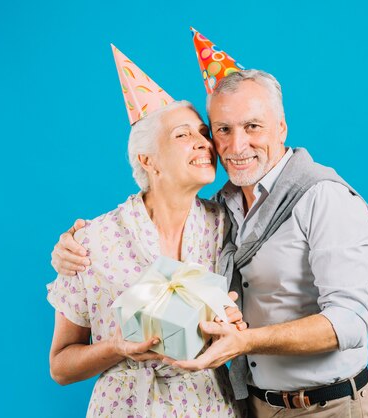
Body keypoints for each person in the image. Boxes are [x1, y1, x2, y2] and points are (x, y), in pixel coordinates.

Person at [54, 36, 368, 418]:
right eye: (220, 129)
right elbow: (61, 362)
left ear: (282, 128)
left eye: (252, 126)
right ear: (148, 159)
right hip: (238, 405)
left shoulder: (292, 205)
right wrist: (67, 249)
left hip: (308, 405)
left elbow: (350, 320)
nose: (224, 145)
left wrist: (242, 339)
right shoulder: (222, 211)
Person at [46, 46, 244, 417]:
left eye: (204, 133)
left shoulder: (228, 224)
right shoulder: (92, 241)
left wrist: (234, 324)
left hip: (209, 407)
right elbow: (60, 366)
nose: (204, 143)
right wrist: (116, 347)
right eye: (183, 135)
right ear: (147, 159)